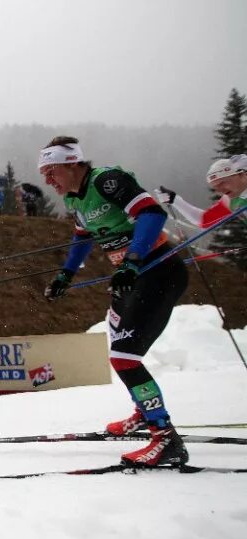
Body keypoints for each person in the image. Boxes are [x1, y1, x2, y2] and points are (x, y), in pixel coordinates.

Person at [39, 136, 188, 467]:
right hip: (132, 278)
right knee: (116, 332)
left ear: (73, 163)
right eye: (44, 175)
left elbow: (151, 213)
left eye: (52, 172)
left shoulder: (107, 181)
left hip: (158, 271)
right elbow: (82, 237)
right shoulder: (75, 199)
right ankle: (144, 411)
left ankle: (165, 440)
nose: (49, 181)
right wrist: (65, 275)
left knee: (124, 358)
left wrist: (133, 260)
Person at [157, 154, 247, 227]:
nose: (220, 190)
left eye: (222, 183)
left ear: (241, 175)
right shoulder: (230, 200)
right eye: (215, 187)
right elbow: (204, 220)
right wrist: (175, 200)